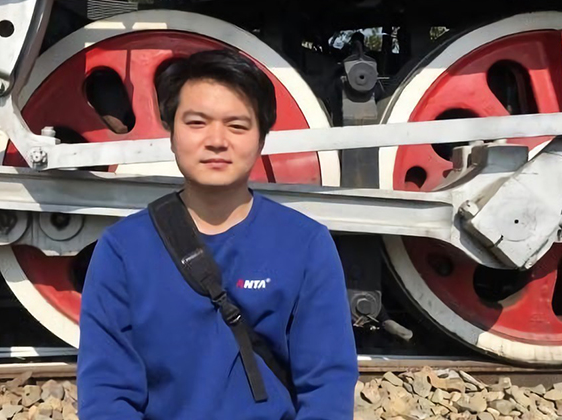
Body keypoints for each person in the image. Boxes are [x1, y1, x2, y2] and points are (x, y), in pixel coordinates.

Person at [77, 49, 358, 420]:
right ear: (171, 133)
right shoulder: (123, 249)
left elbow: (327, 387)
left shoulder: (306, 244)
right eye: (197, 123)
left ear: (262, 139)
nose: (216, 140)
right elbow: (106, 392)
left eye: (237, 126)